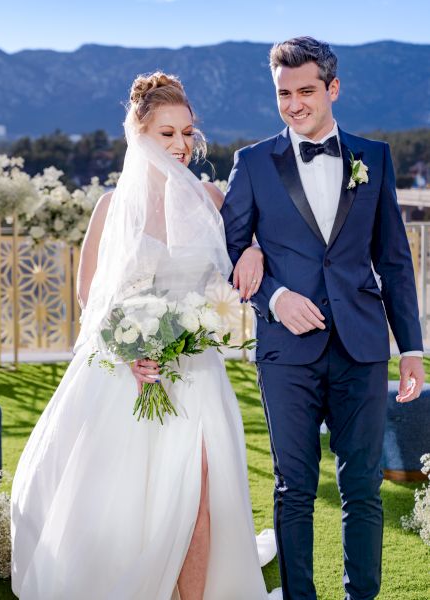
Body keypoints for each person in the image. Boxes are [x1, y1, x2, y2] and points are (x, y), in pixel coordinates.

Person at [11, 71, 280, 600]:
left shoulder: (210, 197)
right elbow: (91, 298)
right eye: (167, 133)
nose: (182, 145)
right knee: (131, 501)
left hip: (197, 370)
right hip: (129, 374)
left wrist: (252, 251)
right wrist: (129, 350)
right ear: (138, 133)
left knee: (200, 492)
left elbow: (249, 251)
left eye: (188, 132)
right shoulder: (112, 208)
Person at [221, 37, 425, 600]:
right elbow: (227, 256)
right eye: (283, 94)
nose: (294, 104)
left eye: (306, 91)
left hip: (362, 346)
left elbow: (394, 259)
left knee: (362, 486)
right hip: (286, 353)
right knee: (293, 487)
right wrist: (273, 298)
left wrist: (411, 347)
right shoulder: (253, 163)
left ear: (332, 88)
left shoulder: (374, 157)